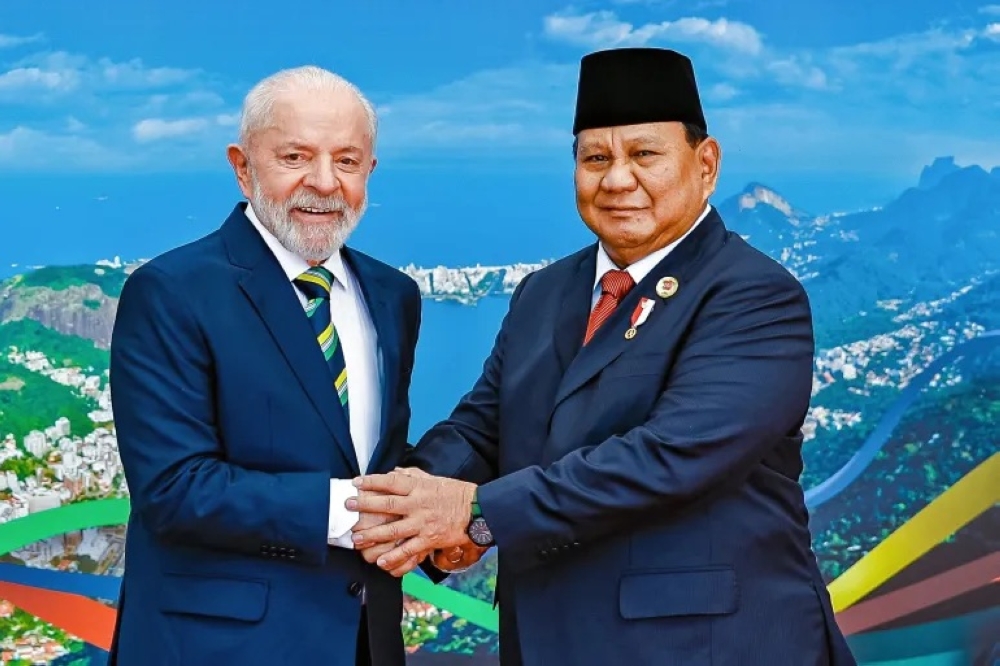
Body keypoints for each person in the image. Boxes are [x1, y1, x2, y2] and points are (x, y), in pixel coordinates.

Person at [347, 47, 860, 666]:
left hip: (706, 646)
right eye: (596, 158)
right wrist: (407, 502)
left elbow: (665, 459)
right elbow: (485, 424)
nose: (617, 180)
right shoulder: (546, 292)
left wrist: (476, 515)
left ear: (706, 164)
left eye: (645, 155)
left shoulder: (753, 295)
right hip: (549, 640)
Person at [107, 66, 422, 666]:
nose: (324, 183)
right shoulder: (171, 291)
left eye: (348, 161)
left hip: (364, 643)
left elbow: (380, 457)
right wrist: (361, 512)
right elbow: (174, 489)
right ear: (242, 165)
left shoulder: (393, 294)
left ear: (371, 172)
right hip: (216, 648)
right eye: (296, 156)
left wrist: (438, 514)